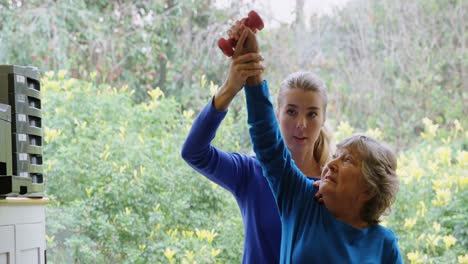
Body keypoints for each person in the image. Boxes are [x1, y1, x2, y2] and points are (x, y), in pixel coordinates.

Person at [181, 25, 332, 263]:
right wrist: (230, 88)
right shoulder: (251, 173)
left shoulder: (336, 184)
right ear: (276, 114)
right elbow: (194, 152)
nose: (301, 124)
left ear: (323, 119)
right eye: (291, 112)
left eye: (312, 114)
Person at [243, 42, 404, 262]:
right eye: (335, 156)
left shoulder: (384, 244)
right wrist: (252, 66)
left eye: (347, 160)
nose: (331, 164)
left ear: (368, 188)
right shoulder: (301, 200)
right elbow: (268, 143)